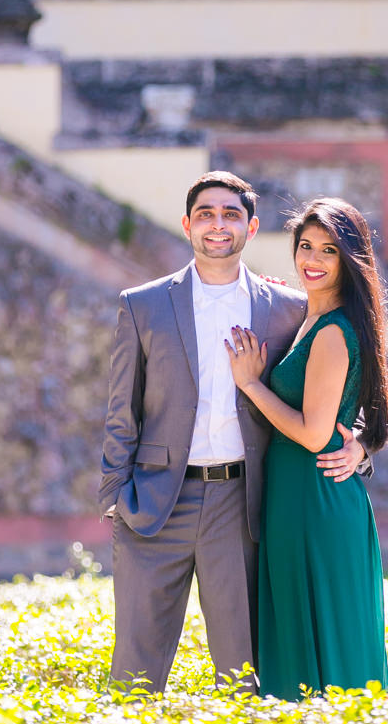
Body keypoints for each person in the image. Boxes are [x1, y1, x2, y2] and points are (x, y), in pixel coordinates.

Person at [99, 172, 368, 693]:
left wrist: (358, 444)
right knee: (134, 673)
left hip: (243, 505)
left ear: (252, 226)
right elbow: (120, 410)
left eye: (230, 214)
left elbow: (336, 385)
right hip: (154, 504)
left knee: (243, 675)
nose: (217, 225)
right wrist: (115, 496)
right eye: (206, 213)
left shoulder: (289, 309)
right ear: (186, 224)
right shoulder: (143, 305)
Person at [225, 197, 388, 699]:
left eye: (329, 251)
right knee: (304, 637)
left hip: (316, 504)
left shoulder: (334, 333)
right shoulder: (310, 318)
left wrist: (252, 385)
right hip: (301, 499)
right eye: (305, 247)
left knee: (327, 651)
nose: (312, 261)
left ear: (351, 260)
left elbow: (315, 434)